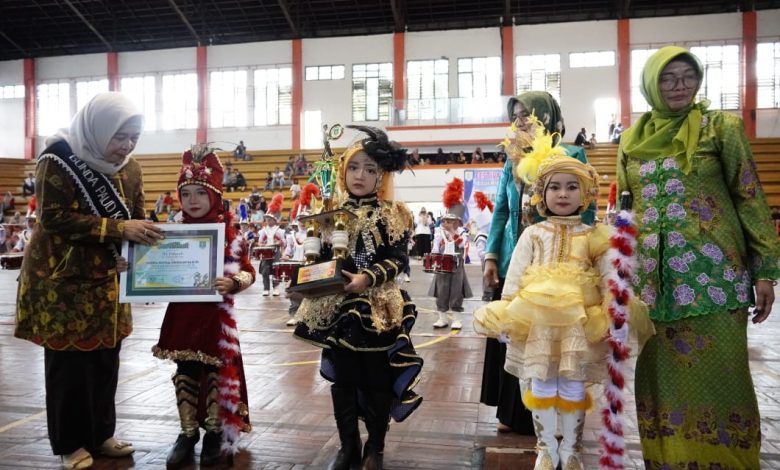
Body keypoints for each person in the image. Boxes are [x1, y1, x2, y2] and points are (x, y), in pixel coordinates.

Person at [618, 46, 780, 469]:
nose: (679, 86)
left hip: (716, 279)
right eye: (668, 78)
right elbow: (622, 208)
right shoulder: (632, 139)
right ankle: (668, 460)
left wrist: (765, 270)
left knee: (723, 376)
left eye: (687, 77)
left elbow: (748, 195)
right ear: (652, 83)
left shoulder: (719, 128)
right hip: (652, 286)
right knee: (660, 381)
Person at [14, 92, 162, 470]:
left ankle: (101, 435)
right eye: (120, 137)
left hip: (110, 281)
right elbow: (53, 218)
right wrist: (118, 227)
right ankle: (69, 443)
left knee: (105, 360)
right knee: (68, 367)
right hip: (62, 282)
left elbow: (137, 218)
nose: (127, 146)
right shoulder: (58, 160)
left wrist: (142, 252)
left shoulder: (131, 168)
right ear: (98, 129)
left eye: (134, 137)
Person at [292, 125, 423, 470]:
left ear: (381, 174)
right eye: (353, 167)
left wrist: (368, 278)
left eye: (369, 169)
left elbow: (398, 259)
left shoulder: (394, 213)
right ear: (343, 170)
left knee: (378, 378)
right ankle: (347, 446)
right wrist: (314, 273)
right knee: (344, 378)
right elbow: (319, 258)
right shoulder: (329, 211)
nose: (360, 175)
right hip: (338, 307)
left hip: (379, 307)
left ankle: (375, 448)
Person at [474, 150, 613, 470]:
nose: (562, 194)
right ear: (541, 194)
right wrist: (507, 312)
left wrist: (610, 311)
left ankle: (573, 447)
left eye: (571, 187)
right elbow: (517, 277)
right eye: (554, 187)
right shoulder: (533, 234)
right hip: (536, 323)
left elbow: (608, 277)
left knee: (573, 384)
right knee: (540, 382)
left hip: (579, 324)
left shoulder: (594, 236)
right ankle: (546, 447)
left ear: (586, 194)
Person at [481, 91, 594, 436]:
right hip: (515, 258)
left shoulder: (572, 153)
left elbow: (586, 209)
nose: (521, 122)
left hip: (557, 264)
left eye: (528, 115)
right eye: (516, 116)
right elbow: (501, 209)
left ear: (545, 116)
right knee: (514, 335)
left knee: (554, 341)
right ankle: (515, 413)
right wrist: (490, 256)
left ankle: (557, 417)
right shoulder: (510, 160)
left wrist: (584, 261)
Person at [152, 146, 255, 468]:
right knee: (184, 372)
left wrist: (234, 281)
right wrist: (132, 268)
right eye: (186, 194)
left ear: (215, 195)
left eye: (200, 192)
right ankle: (186, 433)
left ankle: (212, 432)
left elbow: (249, 271)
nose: (193, 200)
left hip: (214, 318)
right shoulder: (169, 234)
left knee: (214, 374)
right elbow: (150, 268)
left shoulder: (230, 234)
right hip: (181, 315)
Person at [428, 178, 472, 330]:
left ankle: (457, 319)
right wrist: (433, 258)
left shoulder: (462, 232)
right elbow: (435, 247)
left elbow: (462, 244)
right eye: (446, 220)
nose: (448, 222)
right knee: (441, 291)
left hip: (457, 266)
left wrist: (452, 232)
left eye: (451, 220)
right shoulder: (439, 232)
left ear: (457, 222)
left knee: (456, 291)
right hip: (442, 265)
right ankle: (442, 318)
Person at [257, 194, 285, 296]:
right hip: (265, 253)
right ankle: (266, 288)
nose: (268, 220)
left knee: (276, 270)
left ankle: (276, 287)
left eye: (270, 219)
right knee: (265, 271)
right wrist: (262, 245)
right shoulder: (263, 231)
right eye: (267, 219)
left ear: (274, 220)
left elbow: (284, 242)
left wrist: (279, 242)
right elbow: (259, 242)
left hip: (276, 252)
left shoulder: (279, 231)